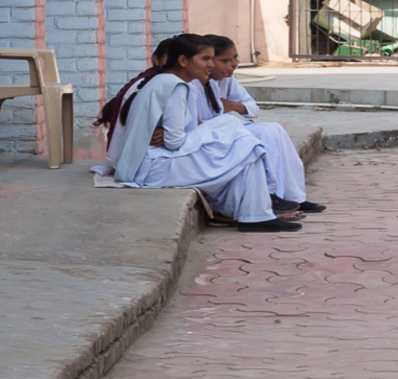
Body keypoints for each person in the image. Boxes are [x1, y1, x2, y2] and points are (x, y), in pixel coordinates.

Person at [110, 34, 302, 233]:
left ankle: (255, 214)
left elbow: (181, 131)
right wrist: (213, 135)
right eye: (205, 59)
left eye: (211, 59)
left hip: (151, 163)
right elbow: (175, 142)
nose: (210, 65)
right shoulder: (175, 86)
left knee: (240, 143)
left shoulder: (164, 81)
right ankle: (255, 214)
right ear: (183, 60)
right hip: (153, 168)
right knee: (238, 138)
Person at [196, 35, 326, 214]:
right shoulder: (195, 83)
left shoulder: (226, 80)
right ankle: (270, 195)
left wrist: (233, 106)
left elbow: (252, 108)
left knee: (274, 129)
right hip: (209, 136)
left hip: (224, 131)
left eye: (235, 59)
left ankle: (293, 196)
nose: (232, 64)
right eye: (224, 60)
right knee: (263, 134)